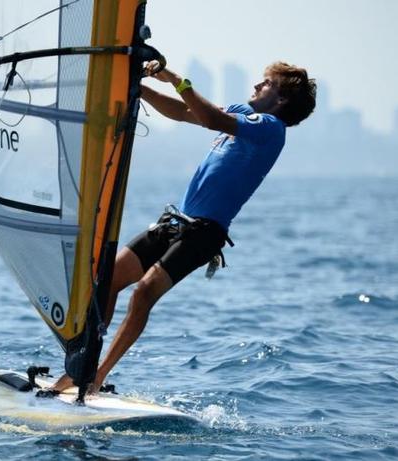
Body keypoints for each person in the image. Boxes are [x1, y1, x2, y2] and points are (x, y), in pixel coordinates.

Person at [49, 60, 317, 395]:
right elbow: (183, 112)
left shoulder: (270, 127)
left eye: (265, 84)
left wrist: (175, 78)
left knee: (144, 292)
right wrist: (140, 89)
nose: (256, 86)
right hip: (176, 221)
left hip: (205, 231)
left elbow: (209, 119)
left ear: (280, 100)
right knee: (107, 280)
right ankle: (81, 369)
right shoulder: (242, 114)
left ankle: (96, 377)